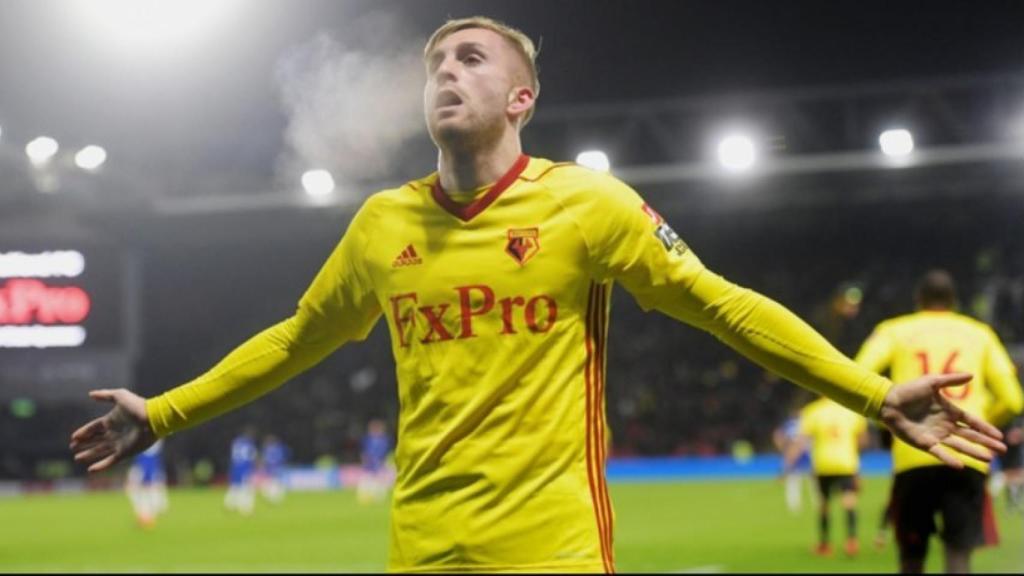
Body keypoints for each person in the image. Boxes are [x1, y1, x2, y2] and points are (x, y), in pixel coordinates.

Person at [70, 16, 1007, 573]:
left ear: (523, 99)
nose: (446, 71)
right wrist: (162, 412)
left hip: (551, 553)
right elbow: (295, 339)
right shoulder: (380, 226)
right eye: (436, 62)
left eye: (471, 59)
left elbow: (722, 304)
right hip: (422, 550)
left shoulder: (585, 206)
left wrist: (873, 395)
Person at [854, 269, 1023, 574]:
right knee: (959, 555)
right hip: (967, 455)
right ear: (954, 302)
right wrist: (976, 424)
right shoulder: (980, 333)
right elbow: (1013, 399)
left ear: (919, 300)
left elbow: (858, 375)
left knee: (912, 557)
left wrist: (886, 423)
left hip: (913, 452)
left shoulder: (894, 330)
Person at [784, 397, 867, 557]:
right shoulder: (850, 410)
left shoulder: (813, 411)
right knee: (849, 502)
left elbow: (801, 441)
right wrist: (856, 458)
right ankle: (851, 541)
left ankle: (825, 544)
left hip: (823, 464)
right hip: (846, 463)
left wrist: (788, 463)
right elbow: (862, 439)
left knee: (824, 505)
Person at [773, 404, 814, 514]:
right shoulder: (807, 422)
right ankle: (818, 504)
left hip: (797, 454)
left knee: (794, 482)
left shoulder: (790, 424)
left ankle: (795, 508)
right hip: (806, 453)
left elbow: (777, 435)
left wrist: (783, 448)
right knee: (811, 482)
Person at [125, 438, 168, 528]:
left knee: (141, 494)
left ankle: (146, 518)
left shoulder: (150, 446)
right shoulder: (152, 444)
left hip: (144, 470)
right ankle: (145, 517)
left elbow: (148, 458)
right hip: (143, 467)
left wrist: (146, 477)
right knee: (138, 493)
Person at [357, 418, 394, 504]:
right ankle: (364, 496)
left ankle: (378, 497)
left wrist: (385, 460)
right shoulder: (367, 439)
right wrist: (364, 459)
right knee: (367, 479)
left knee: (379, 480)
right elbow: (364, 451)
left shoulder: (385, 439)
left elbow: (386, 451)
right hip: (369, 462)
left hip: (380, 462)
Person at [224, 427, 258, 515]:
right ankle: (246, 509)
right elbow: (252, 456)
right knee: (247, 489)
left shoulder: (236, 442)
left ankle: (229, 505)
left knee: (234, 487)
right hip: (244, 468)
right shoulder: (249, 443)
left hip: (235, 467)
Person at [258, 434, 289, 504]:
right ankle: (275, 498)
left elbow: (265, 459)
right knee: (274, 483)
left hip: (271, 468)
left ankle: (274, 498)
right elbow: (284, 458)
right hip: (277, 468)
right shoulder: (279, 448)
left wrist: (262, 466)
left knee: (272, 483)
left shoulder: (267, 449)